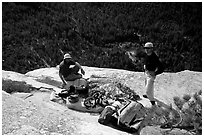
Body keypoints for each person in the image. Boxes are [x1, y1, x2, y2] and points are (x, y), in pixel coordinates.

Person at [143, 42, 164, 106]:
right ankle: (148, 96)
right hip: (146, 72)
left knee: (148, 88)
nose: (146, 50)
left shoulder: (155, 57)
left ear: (151, 49)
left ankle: (152, 102)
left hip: (151, 74)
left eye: (148, 48)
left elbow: (162, 67)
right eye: (145, 48)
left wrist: (155, 73)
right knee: (148, 85)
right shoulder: (147, 55)